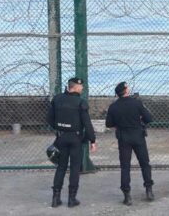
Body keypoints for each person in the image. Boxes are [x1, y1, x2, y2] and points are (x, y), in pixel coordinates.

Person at [47, 77, 97, 208]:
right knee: (75, 168)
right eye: (81, 87)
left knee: (61, 167)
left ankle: (55, 198)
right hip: (75, 139)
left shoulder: (57, 99)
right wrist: (92, 139)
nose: (82, 88)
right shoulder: (80, 102)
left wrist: (59, 129)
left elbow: (50, 119)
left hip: (61, 138)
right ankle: (71, 199)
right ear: (74, 87)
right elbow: (87, 123)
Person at [105, 81, 155, 205]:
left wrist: (119, 123)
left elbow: (109, 124)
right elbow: (149, 118)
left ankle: (127, 195)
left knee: (125, 167)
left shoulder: (113, 106)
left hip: (123, 138)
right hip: (138, 136)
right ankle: (149, 190)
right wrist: (139, 119)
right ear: (126, 91)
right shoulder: (137, 103)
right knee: (145, 164)